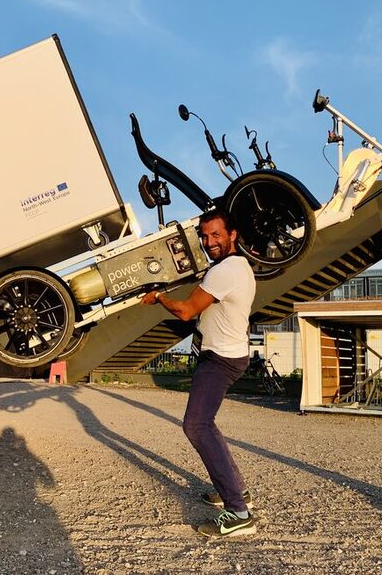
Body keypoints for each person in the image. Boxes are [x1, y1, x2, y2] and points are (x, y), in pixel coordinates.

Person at [141, 208, 256, 538]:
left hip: (220, 359)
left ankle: (238, 512)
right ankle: (234, 491)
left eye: (216, 235)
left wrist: (159, 296)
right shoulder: (233, 267)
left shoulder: (227, 270)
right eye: (204, 236)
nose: (209, 242)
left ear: (232, 235)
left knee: (196, 425)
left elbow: (186, 310)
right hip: (224, 355)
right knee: (206, 423)